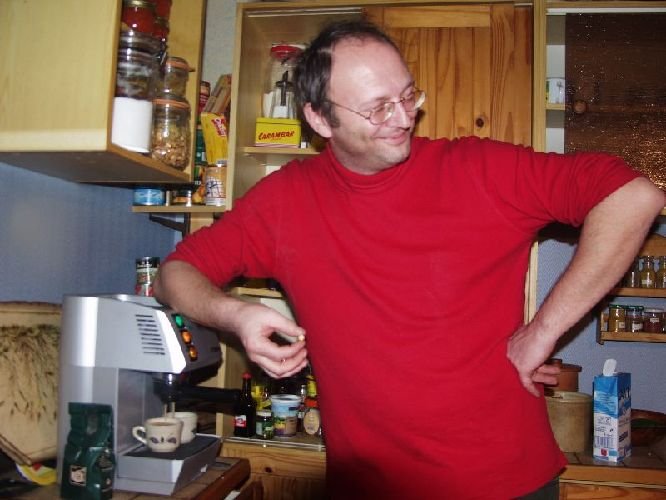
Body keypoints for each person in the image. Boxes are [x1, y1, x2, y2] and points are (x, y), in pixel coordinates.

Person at [154, 20, 664, 499]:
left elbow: (633, 197)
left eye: (407, 95)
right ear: (319, 118)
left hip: (505, 483)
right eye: (377, 108)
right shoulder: (282, 202)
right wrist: (236, 315)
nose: (403, 118)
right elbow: (174, 274)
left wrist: (543, 331)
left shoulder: (481, 170)